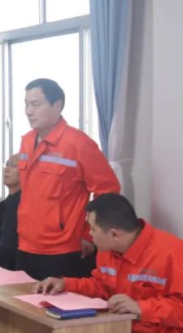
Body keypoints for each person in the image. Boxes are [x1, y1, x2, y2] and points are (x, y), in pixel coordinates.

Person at [33, 194, 183, 333]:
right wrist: (65, 284)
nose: (89, 234)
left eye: (92, 229)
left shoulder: (172, 253)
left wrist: (142, 308)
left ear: (114, 234)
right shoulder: (107, 249)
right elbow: (101, 286)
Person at [17, 78, 120, 280]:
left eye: (36, 105)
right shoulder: (27, 141)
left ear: (57, 105)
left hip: (61, 249)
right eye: (26, 104)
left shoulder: (78, 144)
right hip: (26, 243)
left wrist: (88, 234)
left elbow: (108, 191)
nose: (29, 111)